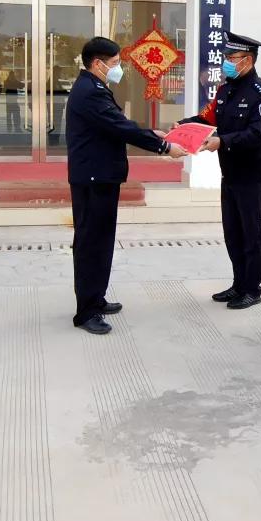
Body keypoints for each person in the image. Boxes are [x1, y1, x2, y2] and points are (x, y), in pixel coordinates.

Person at [65, 36, 187, 335]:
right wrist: (163, 147)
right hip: (94, 179)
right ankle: (86, 312)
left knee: (101, 242)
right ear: (98, 64)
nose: (118, 68)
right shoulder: (90, 92)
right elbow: (118, 126)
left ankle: (96, 298)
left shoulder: (94, 87)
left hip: (100, 177)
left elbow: (116, 125)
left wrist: (151, 133)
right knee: (92, 244)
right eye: (115, 63)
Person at [179, 32, 261, 310]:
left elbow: (256, 134)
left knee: (251, 234)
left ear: (248, 60)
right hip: (230, 173)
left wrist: (222, 141)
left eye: (233, 58)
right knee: (233, 233)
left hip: (252, 175)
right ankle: (238, 284)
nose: (227, 63)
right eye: (227, 58)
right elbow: (206, 118)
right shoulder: (225, 90)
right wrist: (182, 126)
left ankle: (252, 289)